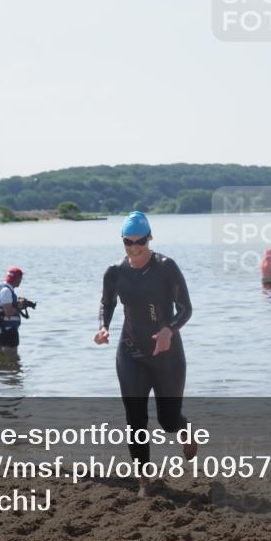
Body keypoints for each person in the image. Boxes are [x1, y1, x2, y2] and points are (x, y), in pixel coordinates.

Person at [94, 211, 197, 497]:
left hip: (167, 354)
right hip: (130, 353)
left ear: (150, 238)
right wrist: (103, 327)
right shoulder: (115, 271)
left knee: (168, 420)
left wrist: (168, 331)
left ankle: (184, 428)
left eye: (140, 241)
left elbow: (186, 308)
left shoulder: (166, 267)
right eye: (129, 241)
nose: (135, 247)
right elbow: (107, 303)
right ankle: (144, 479)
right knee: (135, 419)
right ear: (123, 241)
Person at [0, 267, 30, 354]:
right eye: (20, 279)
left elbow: (6, 307)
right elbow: (8, 313)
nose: (21, 281)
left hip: (4, 330)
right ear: (17, 279)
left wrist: (18, 304)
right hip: (8, 331)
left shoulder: (2, 288)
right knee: (11, 361)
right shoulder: (6, 291)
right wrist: (21, 305)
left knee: (5, 361)